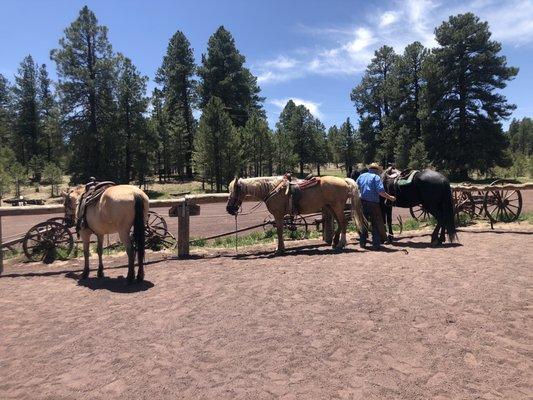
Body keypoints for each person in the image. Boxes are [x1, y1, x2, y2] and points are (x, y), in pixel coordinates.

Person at [356, 162, 396, 250]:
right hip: (373, 204)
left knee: (363, 223)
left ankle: (362, 243)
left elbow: (356, 188)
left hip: (362, 202)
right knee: (375, 223)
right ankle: (376, 244)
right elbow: (381, 192)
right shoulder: (376, 177)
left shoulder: (362, 176)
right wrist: (390, 197)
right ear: (377, 170)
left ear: (370, 169)